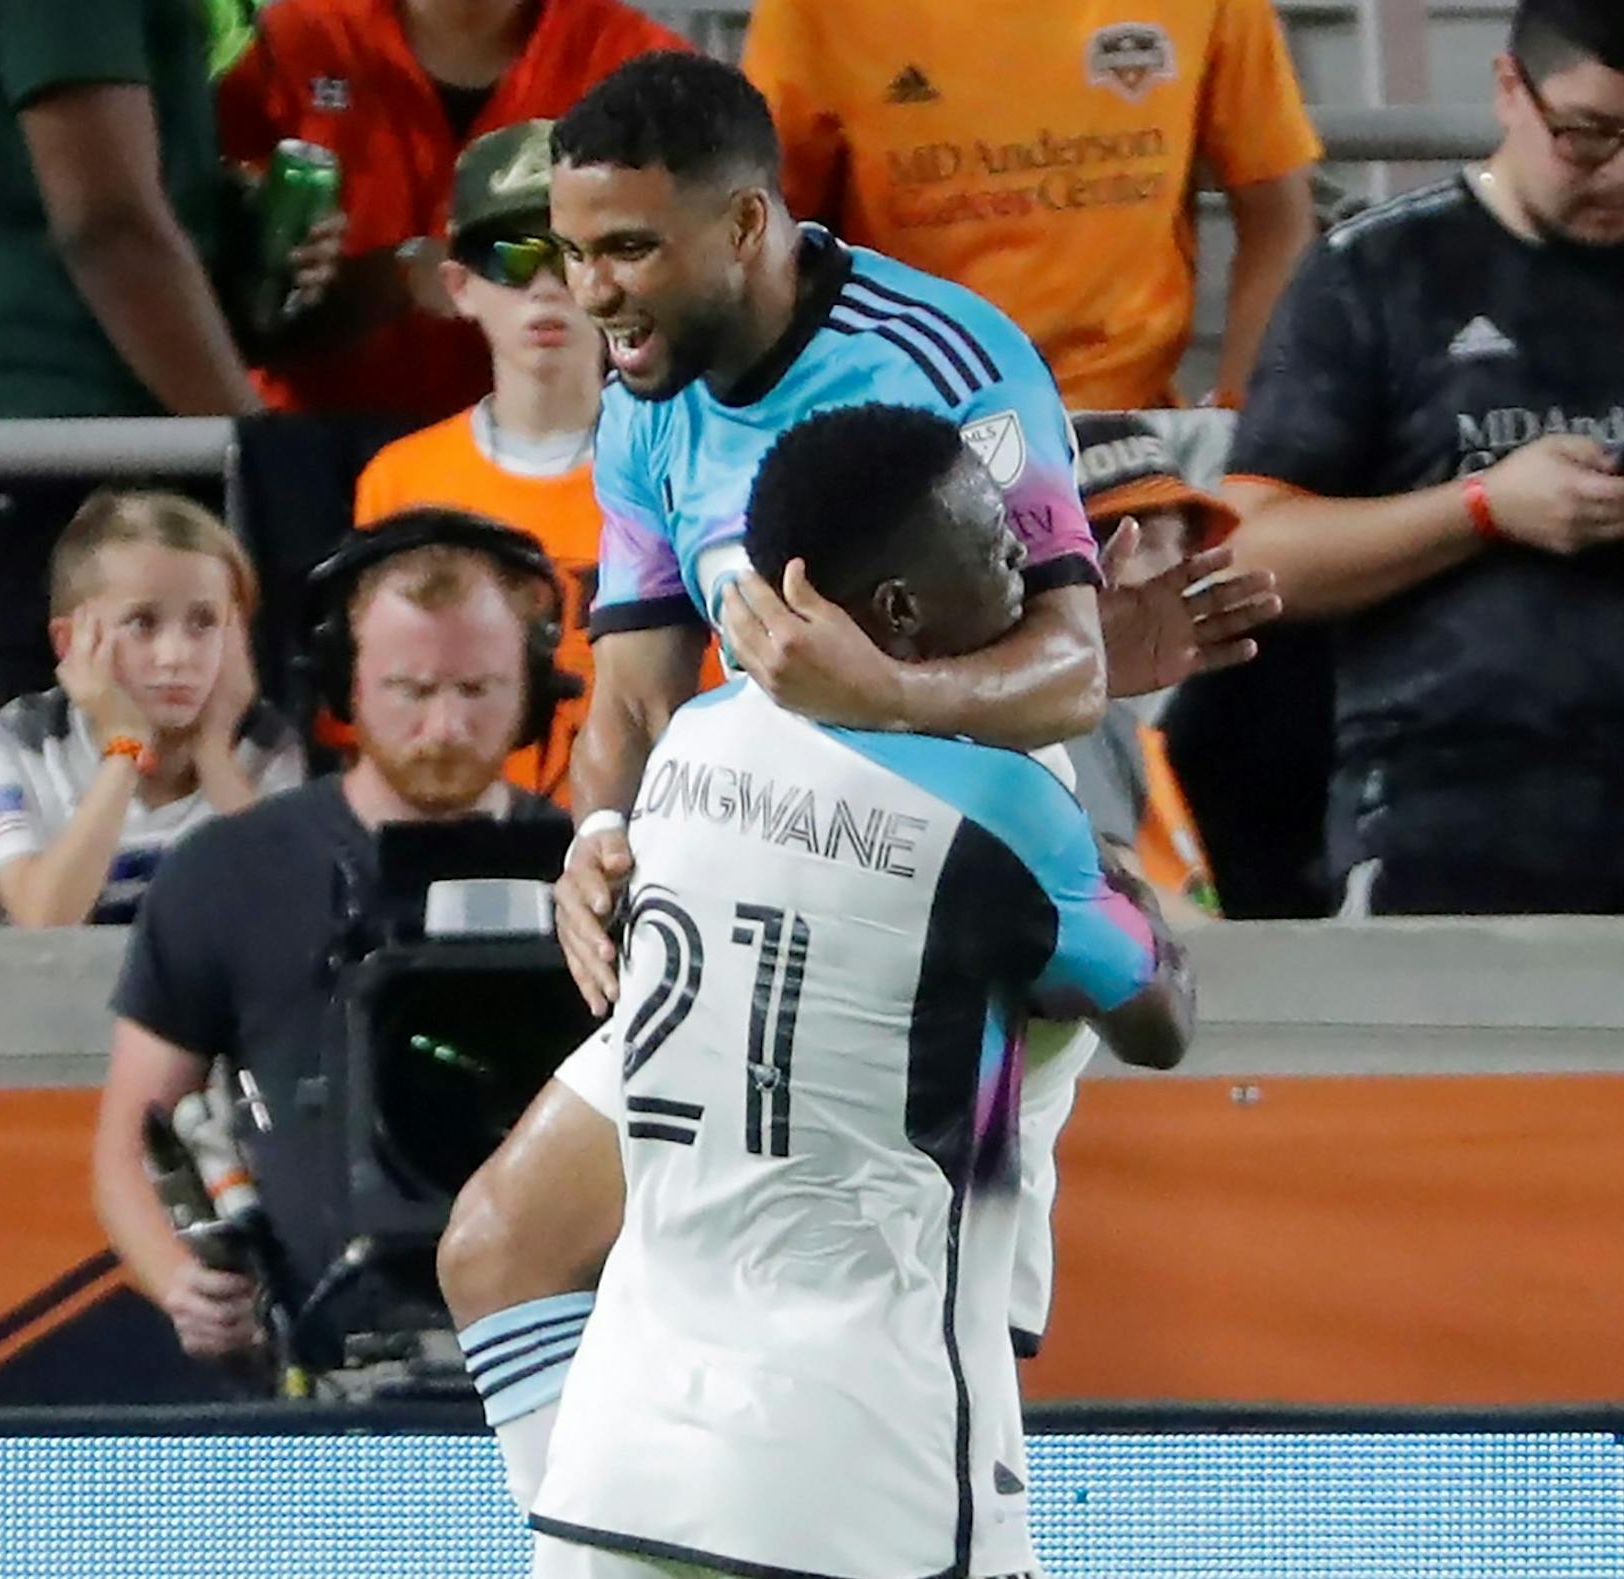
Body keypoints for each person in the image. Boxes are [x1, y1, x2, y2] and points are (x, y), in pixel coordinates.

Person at [435, 54, 1269, 1511]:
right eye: (569, 250)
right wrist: (601, 834)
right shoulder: (643, 401)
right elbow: (633, 685)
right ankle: (616, 1543)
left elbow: (1069, 672)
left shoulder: (948, 361)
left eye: (628, 249)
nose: (590, 292)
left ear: (747, 224)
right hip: (748, 871)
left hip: (952, 875)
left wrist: (876, 699)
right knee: (499, 1244)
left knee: (912, 1319)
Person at [525, 403, 1194, 1579]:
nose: (1031, 566)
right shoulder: (1000, 812)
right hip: (854, 1471)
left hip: (622, 1453)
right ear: (900, 611)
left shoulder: (693, 743)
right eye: (994, 547)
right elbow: (1158, 1016)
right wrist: (1080, 755)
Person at [1222, 0, 1624, 915]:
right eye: (1586, 137)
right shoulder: (1373, 272)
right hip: (1447, 803)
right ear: (1509, 90)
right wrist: (1483, 508)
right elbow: (1249, 554)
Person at [93, 510, 569, 1359]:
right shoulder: (228, 873)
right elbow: (134, 1135)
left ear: (531, 687)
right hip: (323, 1355)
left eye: (477, 690)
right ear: (346, 685)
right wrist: (181, 1281)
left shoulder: (597, 872)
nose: (446, 727)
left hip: (560, 1349)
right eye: (412, 691)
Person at [0, 0, 262, 709]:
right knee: (100, 752)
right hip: (80, 421)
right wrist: (254, 447)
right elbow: (107, 224)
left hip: (74, 411)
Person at [354, 119, 717, 801]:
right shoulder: (400, 481)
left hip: (664, 821)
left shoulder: (690, 460)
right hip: (460, 827)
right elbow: (373, 713)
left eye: (574, 255)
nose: (547, 287)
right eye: (512, 258)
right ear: (458, 284)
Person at [739, 0, 1320, 411]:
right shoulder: (819, 13)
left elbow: (1278, 219)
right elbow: (759, 239)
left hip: (1127, 433)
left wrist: (1239, 421)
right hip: (912, 427)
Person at [214, 0, 685, 420]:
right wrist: (362, 279)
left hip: (568, 444)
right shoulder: (298, 39)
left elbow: (700, 284)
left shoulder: (640, 64)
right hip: (315, 434)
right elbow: (217, 287)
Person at [0, 492, 305, 927]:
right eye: (143, 623)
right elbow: (45, 921)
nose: (176, 655)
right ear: (71, 642)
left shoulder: (266, 743)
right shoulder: (18, 741)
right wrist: (124, 751)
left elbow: (293, 911)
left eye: (203, 622)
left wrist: (215, 753)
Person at [1067, 411, 1232, 917]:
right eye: (1141, 544)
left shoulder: (1141, 723)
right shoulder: (1070, 718)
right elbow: (1111, 896)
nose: (1171, 568)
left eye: (1177, 541)